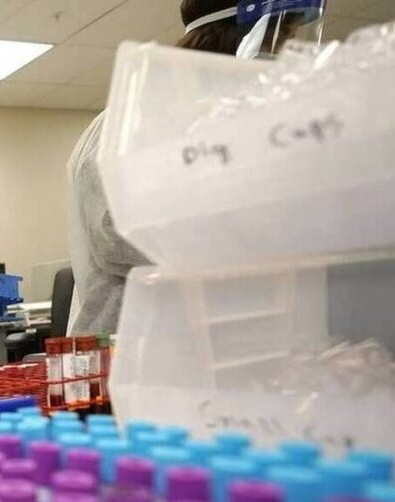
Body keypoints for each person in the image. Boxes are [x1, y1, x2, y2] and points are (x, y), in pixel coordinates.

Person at [66, 0, 324, 335]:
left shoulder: (230, 122)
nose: (285, 53)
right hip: (132, 344)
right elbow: (116, 236)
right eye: (284, 37)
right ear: (243, 35)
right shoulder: (130, 121)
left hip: (215, 341)